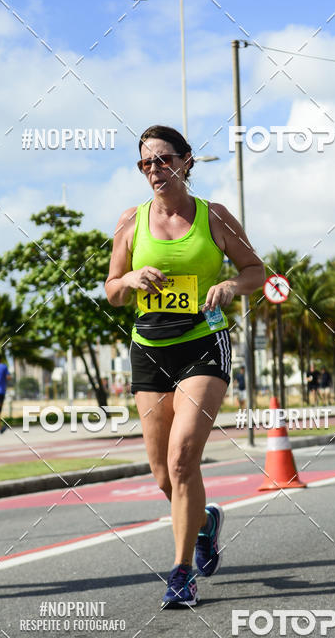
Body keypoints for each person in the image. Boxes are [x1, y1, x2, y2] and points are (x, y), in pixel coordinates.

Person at [105, 125, 265, 607]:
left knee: (183, 458)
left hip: (202, 341)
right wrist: (130, 277)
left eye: (163, 159)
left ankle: (180, 574)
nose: (155, 170)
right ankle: (205, 524)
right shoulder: (130, 221)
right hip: (150, 346)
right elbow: (112, 292)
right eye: (145, 163)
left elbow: (256, 270)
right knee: (161, 474)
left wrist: (232, 287)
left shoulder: (214, 216)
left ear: (187, 161)